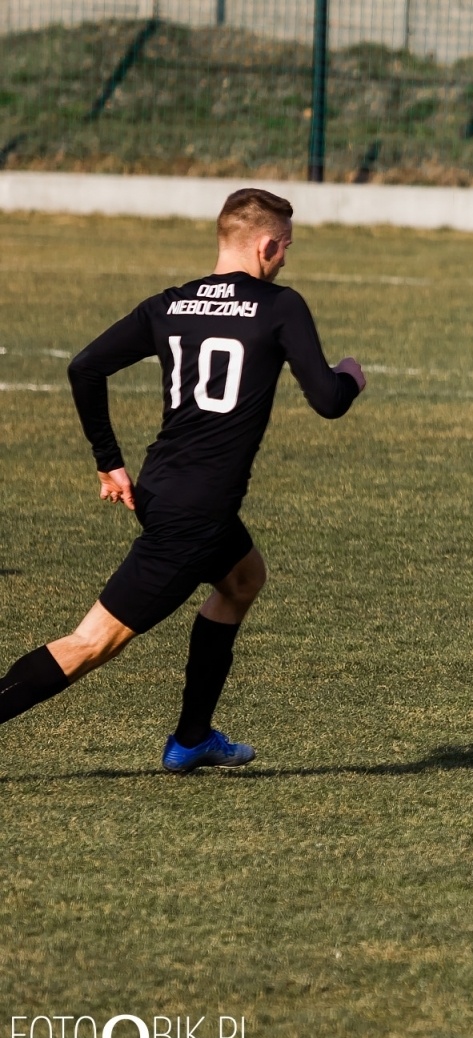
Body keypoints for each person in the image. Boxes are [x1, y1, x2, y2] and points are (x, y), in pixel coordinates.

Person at [0, 188, 366, 771]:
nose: (286, 260)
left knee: (243, 579)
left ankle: (192, 738)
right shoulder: (280, 305)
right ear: (267, 244)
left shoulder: (169, 305)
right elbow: (327, 400)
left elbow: (84, 367)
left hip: (163, 491)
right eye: (286, 248)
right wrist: (351, 377)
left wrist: (108, 459)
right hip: (193, 516)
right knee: (91, 643)